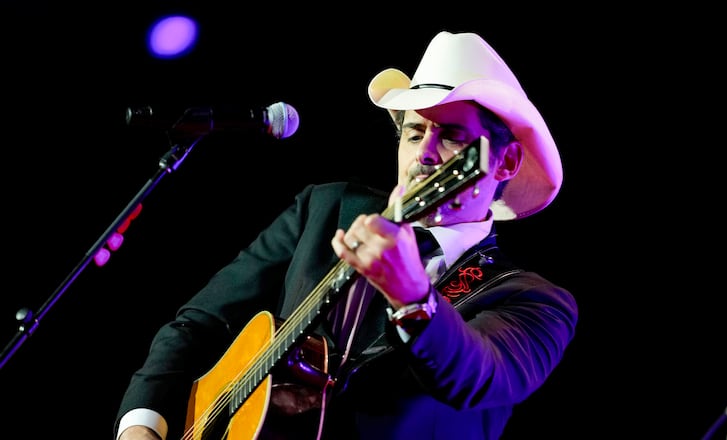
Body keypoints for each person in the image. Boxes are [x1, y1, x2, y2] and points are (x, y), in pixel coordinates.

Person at [114, 30, 578, 440]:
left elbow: (478, 376)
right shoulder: (327, 207)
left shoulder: (534, 300)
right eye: (414, 133)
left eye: (453, 136)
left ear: (506, 162)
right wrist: (143, 422)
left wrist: (412, 295)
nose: (426, 156)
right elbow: (200, 323)